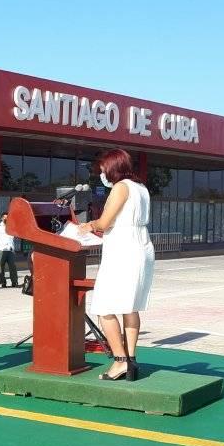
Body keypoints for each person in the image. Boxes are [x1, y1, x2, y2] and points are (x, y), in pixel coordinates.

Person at [77, 148, 155, 382]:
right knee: (131, 307)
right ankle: (131, 360)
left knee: (104, 307)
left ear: (112, 168)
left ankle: (120, 362)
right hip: (141, 246)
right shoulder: (141, 188)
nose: (101, 173)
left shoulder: (121, 187)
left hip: (123, 250)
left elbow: (104, 222)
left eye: (102, 169)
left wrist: (86, 226)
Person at [0, 213, 18, 288]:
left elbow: (16, 236)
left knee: (12, 266)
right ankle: (3, 282)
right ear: (1, 218)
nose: (7, 219)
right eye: (5, 218)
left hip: (10, 249)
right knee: (1, 266)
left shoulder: (12, 226)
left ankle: (14, 282)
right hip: (0, 249)